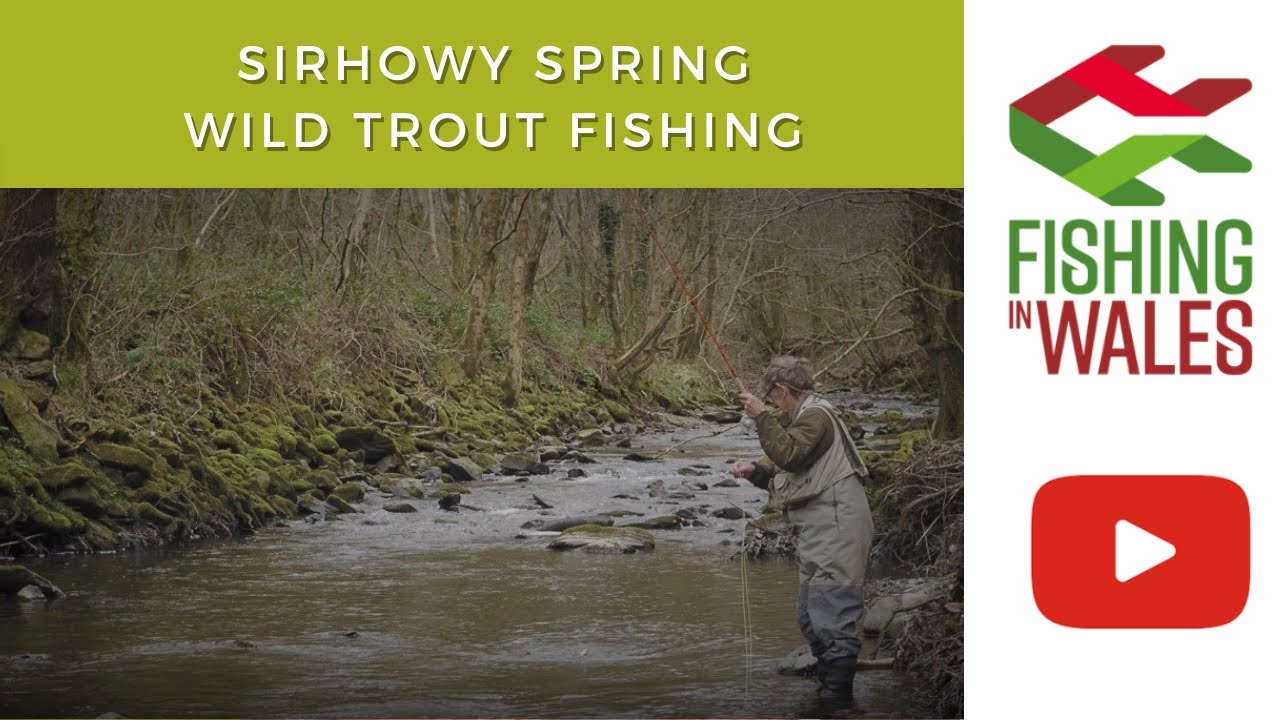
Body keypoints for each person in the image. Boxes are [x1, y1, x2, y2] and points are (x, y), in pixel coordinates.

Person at [731, 356, 873, 705]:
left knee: (831, 616)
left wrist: (761, 416)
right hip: (819, 529)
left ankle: (836, 702)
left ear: (782, 390)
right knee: (810, 616)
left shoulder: (816, 416)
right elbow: (790, 468)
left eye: (773, 396)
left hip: (838, 525)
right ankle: (830, 689)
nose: (774, 404)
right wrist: (755, 471)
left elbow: (791, 454)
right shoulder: (804, 418)